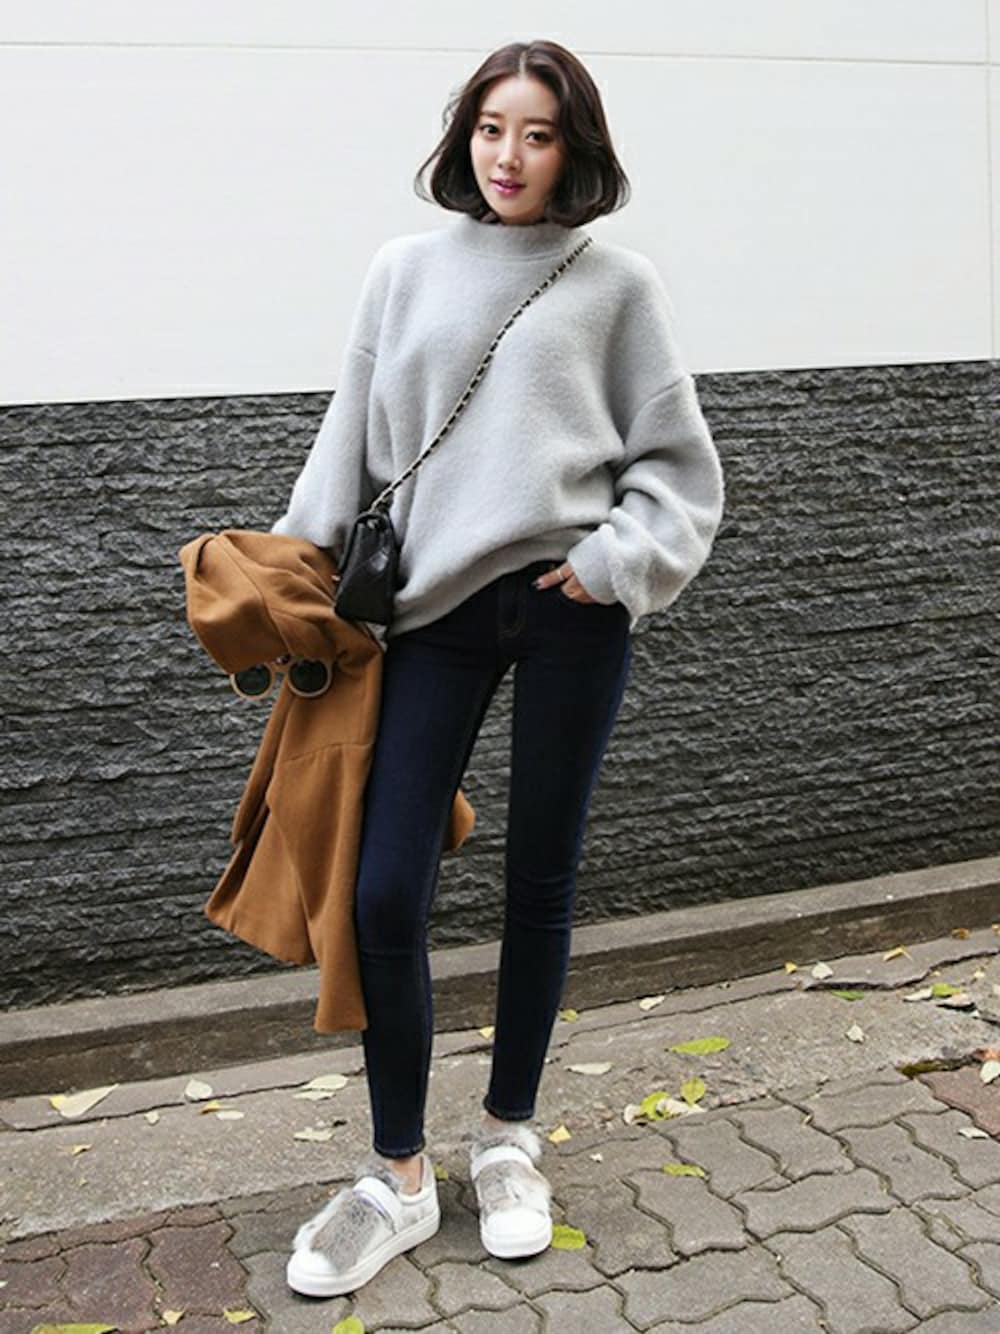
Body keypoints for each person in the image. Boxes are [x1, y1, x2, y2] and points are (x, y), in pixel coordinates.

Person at [271, 38, 725, 1299]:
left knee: (541, 876)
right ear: (461, 136)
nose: (509, 155)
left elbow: (677, 463)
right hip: (435, 612)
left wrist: (614, 560)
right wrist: (291, 579)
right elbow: (350, 441)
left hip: (568, 607)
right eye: (489, 128)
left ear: (574, 146)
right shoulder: (403, 270)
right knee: (383, 890)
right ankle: (398, 1172)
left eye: (536, 132)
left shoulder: (615, 283)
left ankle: (508, 1135)